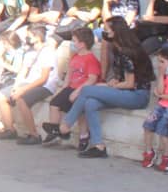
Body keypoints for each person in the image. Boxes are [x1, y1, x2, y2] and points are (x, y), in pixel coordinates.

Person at [59, 16, 154, 158]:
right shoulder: (119, 50)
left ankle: (66, 124)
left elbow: (130, 83)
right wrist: (113, 82)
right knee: (90, 103)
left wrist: (110, 85)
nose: (104, 33)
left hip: (137, 95)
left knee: (86, 90)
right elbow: (123, 78)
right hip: (125, 91)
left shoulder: (127, 52)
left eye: (107, 30)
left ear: (116, 32)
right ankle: (98, 145)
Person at [0, 25, 59, 144]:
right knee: (1, 95)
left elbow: (43, 78)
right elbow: (23, 71)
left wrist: (23, 90)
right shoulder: (30, 51)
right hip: (28, 82)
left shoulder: (47, 52)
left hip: (45, 86)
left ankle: (34, 134)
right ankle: (10, 129)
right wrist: (16, 86)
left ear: (37, 37)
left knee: (22, 100)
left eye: (29, 36)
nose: (26, 38)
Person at [41, 27, 100, 146]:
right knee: (54, 104)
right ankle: (55, 130)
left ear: (82, 44)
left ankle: (84, 135)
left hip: (83, 89)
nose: (72, 43)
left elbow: (92, 79)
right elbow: (69, 74)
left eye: (74, 41)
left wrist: (77, 91)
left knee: (80, 110)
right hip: (71, 87)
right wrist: (63, 88)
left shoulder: (91, 59)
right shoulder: (75, 57)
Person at [141, 47, 168, 172]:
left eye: (162, 62)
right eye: (158, 61)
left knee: (162, 127)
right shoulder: (166, 74)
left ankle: (167, 154)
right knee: (148, 124)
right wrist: (161, 75)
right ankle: (149, 151)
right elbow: (160, 90)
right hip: (163, 104)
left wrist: (160, 95)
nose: (159, 65)